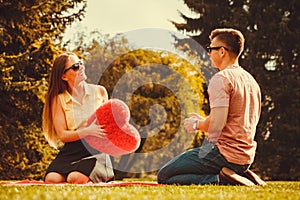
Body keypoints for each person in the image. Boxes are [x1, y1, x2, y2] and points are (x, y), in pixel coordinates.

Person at [157, 28, 266, 186]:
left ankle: (220, 178)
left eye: (211, 49)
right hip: (245, 157)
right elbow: (234, 119)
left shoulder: (221, 79)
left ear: (222, 51)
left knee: (164, 176)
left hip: (224, 154)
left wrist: (196, 124)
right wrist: (205, 120)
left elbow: (217, 125)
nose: (208, 53)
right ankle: (241, 174)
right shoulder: (251, 81)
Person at [42, 52, 114, 184]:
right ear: (63, 76)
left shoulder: (100, 92)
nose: (81, 67)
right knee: (52, 179)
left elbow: (109, 125)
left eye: (81, 63)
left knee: (75, 178)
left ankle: (99, 175)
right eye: (75, 66)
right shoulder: (59, 100)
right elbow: (63, 135)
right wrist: (87, 131)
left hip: (96, 150)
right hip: (71, 150)